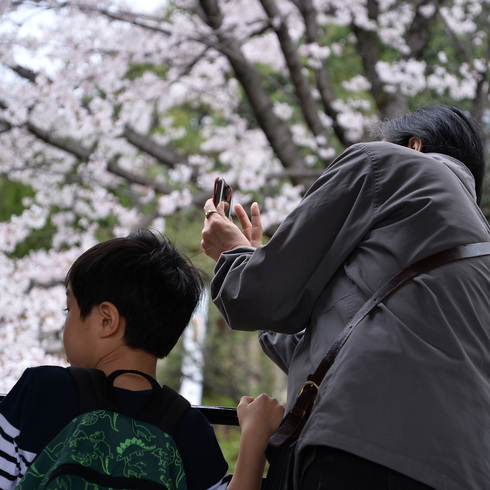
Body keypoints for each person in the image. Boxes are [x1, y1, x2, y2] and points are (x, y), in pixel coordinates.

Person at [201, 105, 490, 490]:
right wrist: (254, 263)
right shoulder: (476, 245)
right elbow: (333, 338)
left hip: (361, 444)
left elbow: (258, 297)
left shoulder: (385, 163)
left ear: (414, 145)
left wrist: (233, 256)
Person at [0, 229, 285, 490]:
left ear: (106, 320)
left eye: (69, 311)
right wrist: (254, 438)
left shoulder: (42, 391)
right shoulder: (188, 429)